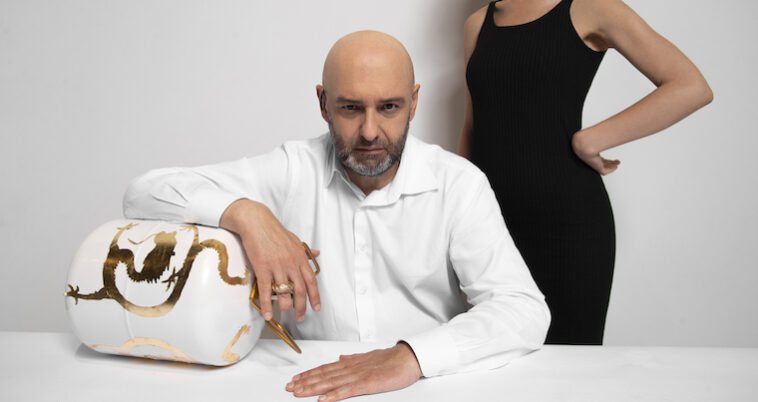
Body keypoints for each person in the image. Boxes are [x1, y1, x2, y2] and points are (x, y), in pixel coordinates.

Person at [123, 30, 550, 401]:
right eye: (350, 108)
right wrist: (247, 214)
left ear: (414, 102)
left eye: (389, 107)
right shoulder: (292, 170)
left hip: (431, 387)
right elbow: (142, 192)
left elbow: (523, 310)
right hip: (303, 387)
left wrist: (412, 356)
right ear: (323, 103)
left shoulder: (458, 184)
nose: (369, 132)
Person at [458, 0, 712, 344]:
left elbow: (691, 86)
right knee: (494, 356)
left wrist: (590, 140)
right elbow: (473, 126)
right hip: (493, 229)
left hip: (568, 227)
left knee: (571, 363)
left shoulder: (591, 8)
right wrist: (458, 214)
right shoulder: (477, 24)